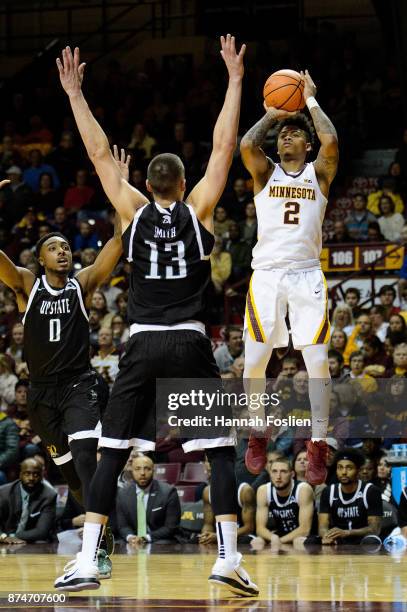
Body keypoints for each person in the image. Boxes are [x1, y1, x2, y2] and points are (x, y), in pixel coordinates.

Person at [55, 39, 258, 596]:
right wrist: (235, 79)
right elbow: (223, 146)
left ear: (147, 186)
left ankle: (90, 561)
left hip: (142, 344)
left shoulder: (132, 214)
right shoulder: (199, 212)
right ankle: (228, 558)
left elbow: (98, 154)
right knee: (218, 455)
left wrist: (75, 93)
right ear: (184, 182)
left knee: (112, 451)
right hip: (191, 343)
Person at [0, 151, 127, 572]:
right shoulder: (25, 285)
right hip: (40, 395)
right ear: (40, 259)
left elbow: (118, 243)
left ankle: (95, 550)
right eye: (54, 248)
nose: (63, 252)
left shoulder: (83, 283)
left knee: (87, 457)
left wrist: (120, 193)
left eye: (66, 247)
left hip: (79, 385)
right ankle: (102, 534)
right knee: (71, 477)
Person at [240, 69, 339, 485]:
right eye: (282, 135)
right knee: (256, 361)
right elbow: (247, 144)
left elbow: (332, 141)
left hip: (305, 275)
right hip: (266, 276)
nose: (285, 138)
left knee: (317, 361)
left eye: (294, 134)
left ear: (307, 144)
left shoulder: (319, 173)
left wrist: (309, 101)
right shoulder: (265, 174)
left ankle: (317, 442)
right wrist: (273, 113)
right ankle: (258, 431)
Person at [318, 448, 382, 544]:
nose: (343, 472)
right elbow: (322, 527)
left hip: (362, 540)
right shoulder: (328, 491)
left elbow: (374, 529)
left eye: (349, 468)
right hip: (338, 539)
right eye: (340, 467)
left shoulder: (371, 491)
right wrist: (327, 536)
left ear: (358, 470)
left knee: (371, 541)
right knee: (308, 541)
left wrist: (347, 533)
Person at [116, 454, 181, 544]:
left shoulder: (168, 492)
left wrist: (145, 538)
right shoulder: (122, 493)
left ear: (153, 471)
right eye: (137, 469)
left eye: (147, 469)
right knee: (118, 544)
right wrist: (130, 537)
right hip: (133, 539)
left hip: (158, 539)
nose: (142, 473)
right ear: (131, 471)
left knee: (163, 544)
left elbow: (171, 527)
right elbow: (122, 526)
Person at [255, 456, 314, 547]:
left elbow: (305, 529)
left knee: (298, 541)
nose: (278, 476)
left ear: (292, 474)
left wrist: (279, 541)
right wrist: (273, 538)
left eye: (283, 472)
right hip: (280, 534)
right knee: (257, 541)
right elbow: (260, 529)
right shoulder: (263, 490)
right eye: (274, 471)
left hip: (305, 536)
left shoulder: (303, 489)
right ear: (270, 473)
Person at [0, 458, 57, 544]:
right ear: (20, 474)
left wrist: (12, 536)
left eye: (36, 474)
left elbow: (42, 531)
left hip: (33, 542)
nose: (31, 478)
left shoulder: (49, 495)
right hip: (4, 541)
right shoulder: (4, 492)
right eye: (27, 474)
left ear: (42, 476)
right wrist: (3, 537)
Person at [199, 457, 255, 544]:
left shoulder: (244, 491)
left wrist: (220, 536)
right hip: (217, 535)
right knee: (194, 541)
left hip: (240, 536)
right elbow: (208, 525)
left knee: (249, 541)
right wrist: (205, 536)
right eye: (208, 460)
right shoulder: (207, 492)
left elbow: (249, 528)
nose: (210, 464)